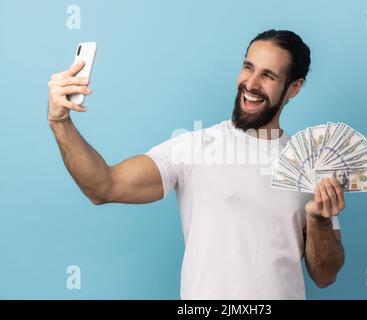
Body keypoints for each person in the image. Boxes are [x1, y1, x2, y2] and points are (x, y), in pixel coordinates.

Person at [47, 29, 346, 300]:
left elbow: (325, 275)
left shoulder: (310, 166)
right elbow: (104, 187)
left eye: (268, 75)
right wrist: (60, 123)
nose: (250, 84)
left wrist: (319, 221)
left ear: (293, 88)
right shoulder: (193, 147)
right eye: (248, 67)